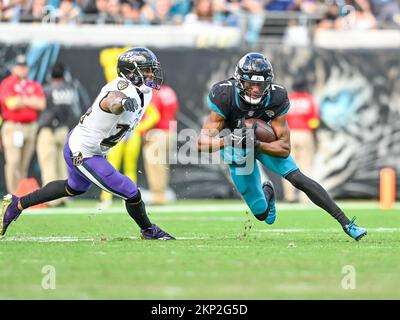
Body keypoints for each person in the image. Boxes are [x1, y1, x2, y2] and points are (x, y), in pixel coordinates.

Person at [0, 47, 175, 240]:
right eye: (146, 70)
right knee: (130, 191)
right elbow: (111, 101)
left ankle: (16, 205)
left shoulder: (145, 91)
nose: (151, 74)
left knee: (73, 187)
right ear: (130, 72)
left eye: (151, 69)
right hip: (83, 151)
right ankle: (148, 230)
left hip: (91, 147)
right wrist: (122, 103)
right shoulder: (121, 88)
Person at [197, 52, 367, 241]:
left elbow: (284, 147)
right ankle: (268, 192)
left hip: (264, 142)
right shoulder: (223, 94)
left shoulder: (276, 97)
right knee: (261, 214)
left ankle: (346, 223)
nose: (255, 89)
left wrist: (258, 143)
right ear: (239, 81)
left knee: (297, 177)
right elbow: (200, 143)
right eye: (250, 84)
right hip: (236, 146)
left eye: (260, 85)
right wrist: (231, 140)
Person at [98, 103, 160, 209]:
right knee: (111, 166)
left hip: (131, 134)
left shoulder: (138, 97)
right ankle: (106, 198)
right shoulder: (115, 94)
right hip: (116, 133)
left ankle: (129, 197)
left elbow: (154, 115)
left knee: (129, 168)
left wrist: (139, 128)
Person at [0, 54, 46, 194]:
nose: (22, 69)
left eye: (24, 66)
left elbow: (41, 104)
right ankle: (12, 195)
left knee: (23, 164)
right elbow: (11, 104)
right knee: (13, 162)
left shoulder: (33, 84)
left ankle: (21, 196)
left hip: (30, 127)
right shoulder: (7, 83)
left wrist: (22, 100)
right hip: (13, 126)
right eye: (19, 66)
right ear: (14, 68)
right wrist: (29, 100)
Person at [36, 62, 80, 207]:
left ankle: (51, 199)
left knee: (48, 166)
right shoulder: (71, 89)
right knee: (63, 166)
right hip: (64, 129)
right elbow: (77, 110)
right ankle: (64, 197)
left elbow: (41, 108)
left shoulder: (46, 89)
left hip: (48, 130)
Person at [283, 72, 319, 203]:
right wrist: (314, 137)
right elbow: (314, 121)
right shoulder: (309, 99)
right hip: (305, 133)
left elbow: (282, 119)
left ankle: (289, 196)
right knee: (306, 166)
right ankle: (306, 197)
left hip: (290, 133)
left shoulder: (289, 99)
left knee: (287, 165)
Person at [143, 83, 179, 205]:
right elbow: (175, 110)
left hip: (158, 132)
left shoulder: (154, 93)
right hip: (171, 132)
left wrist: (141, 131)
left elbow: (154, 115)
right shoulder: (169, 91)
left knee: (154, 164)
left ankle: (158, 195)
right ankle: (162, 192)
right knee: (162, 164)